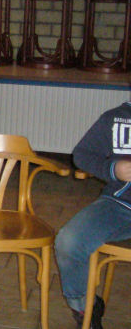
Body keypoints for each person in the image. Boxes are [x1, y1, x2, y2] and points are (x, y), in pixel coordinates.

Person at [55, 101, 131, 329]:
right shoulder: (116, 118)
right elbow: (82, 155)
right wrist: (113, 169)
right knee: (69, 241)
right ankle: (84, 307)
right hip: (120, 205)